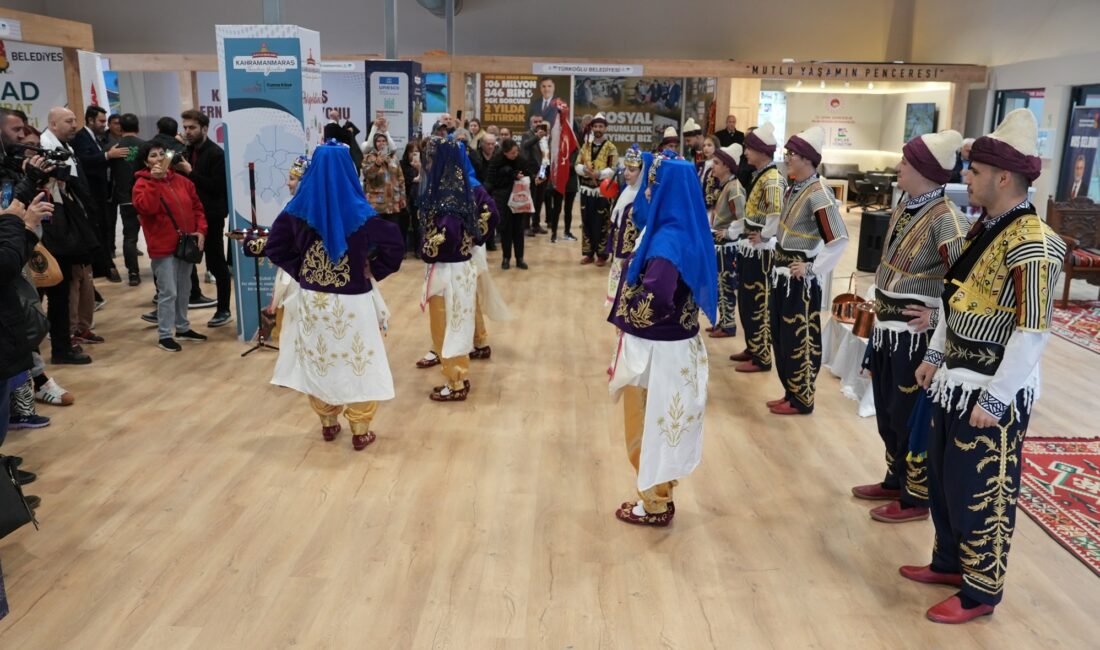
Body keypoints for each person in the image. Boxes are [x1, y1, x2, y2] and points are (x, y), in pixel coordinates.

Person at [903, 109, 1066, 624]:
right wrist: (934, 355)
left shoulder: (1034, 243)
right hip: (955, 382)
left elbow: (1033, 329)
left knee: (983, 491)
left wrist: (996, 397)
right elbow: (957, 300)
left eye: (973, 173)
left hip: (991, 392)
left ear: (1002, 177)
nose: (965, 178)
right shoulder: (984, 229)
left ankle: (980, 591)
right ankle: (950, 563)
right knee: (947, 481)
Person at [849, 129, 970, 525]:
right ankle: (894, 476)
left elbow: (965, 284)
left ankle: (916, 495)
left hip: (914, 334)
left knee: (906, 414)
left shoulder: (947, 219)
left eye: (905, 162)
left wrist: (937, 319)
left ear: (923, 170)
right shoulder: (905, 203)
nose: (898, 167)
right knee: (886, 410)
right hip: (887, 326)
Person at [266, 141, 404, 451]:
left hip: (312, 300)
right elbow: (394, 245)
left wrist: (303, 269)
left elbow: (274, 246)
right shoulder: (360, 211)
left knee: (321, 359)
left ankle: (328, 422)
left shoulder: (296, 210)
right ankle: (360, 427)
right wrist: (375, 268)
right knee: (359, 361)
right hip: (353, 301)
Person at [607, 159, 716, 527]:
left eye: (654, 186)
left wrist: (626, 306)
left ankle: (653, 502)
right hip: (679, 344)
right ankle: (660, 496)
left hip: (656, 350)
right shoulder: (690, 227)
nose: (648, 192)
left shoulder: (667, 238)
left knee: (647, 424)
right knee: (665, 424)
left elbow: (660, 291)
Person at [768, 126, 849, 415]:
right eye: (788, 153)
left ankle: (802, 397)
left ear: (807, 159)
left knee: (799, 338)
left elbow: (838, 238)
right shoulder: (796, 187)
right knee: (781, 336)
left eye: (792, 154)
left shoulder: (819, 193)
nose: (787, 158)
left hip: (798, 280)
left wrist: (812, 268)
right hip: (783, 275)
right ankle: (791, 392)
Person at [417, 139, 482, 401]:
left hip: (448, 273)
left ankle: (456, 382)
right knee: (458, 323)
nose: (428, 165)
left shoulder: (446, 199)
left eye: (432, 160)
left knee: (448, 327)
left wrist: (427, 247)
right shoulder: (461, 192)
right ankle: (457, 376)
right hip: (462, 269)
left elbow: (448, 234)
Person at [131, 141, 209, 351]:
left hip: (187, 244)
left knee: (185, 289)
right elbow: (147, 208)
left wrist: (201, 230)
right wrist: (155, 182)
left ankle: (182, 327)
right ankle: (165, 334)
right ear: (146, 162)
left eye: (161, 154)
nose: (158, 159)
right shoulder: (142, 184)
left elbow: (197, 207)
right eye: (153, 156)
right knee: (169, 292)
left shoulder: (183, 182)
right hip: (162, 246)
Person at [40, 107, 102, 363]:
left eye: (75, 120)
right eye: (68, 120)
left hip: (71, 221)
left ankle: (71, 335)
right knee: (59, 288)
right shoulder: (45, 146)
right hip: (56, 226)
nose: (74, 124)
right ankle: (63, 341)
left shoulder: (65, 146)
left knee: (76, 282)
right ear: (53, 124)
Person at [729, 122, 784, 373]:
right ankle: (753, 346)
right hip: (752, 245)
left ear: (762, 151)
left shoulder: (772, 178)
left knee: (759, 302)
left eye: (749, 148)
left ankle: (762, 355)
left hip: (761, 250)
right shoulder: (760, 174)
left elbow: (776, 213)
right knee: (748, 300)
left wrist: (763, 235)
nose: (745, 153)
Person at [180, 109, 233, 327]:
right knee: (184, 260)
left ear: (204, 128)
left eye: (192, 127)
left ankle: (223, 309)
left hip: (211, 215)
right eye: (185, 127)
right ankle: (183, 303)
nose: (187, 131)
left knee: (215, 263)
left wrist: (190, 172)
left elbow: (216, 187)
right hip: (189, 215)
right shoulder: (186, 151)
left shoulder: (215, 154)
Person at [71, 105, 126, 283]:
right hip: (91, 191)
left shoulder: (95, 137)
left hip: (102, 191)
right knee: (97, 227)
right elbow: (84, 160)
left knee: (104, 226)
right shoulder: (81, 138)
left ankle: (103, 265)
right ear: (90, 120)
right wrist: (107, 156)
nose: (104, 124)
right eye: (102, 121)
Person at [707, 143, 745, 339]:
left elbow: (741, 217)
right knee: (720, 285)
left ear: (727, 166)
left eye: (716, 163)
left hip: (728, 247)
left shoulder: (734, 189)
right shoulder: (726, 186)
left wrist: (730, 233)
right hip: (720, 245)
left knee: (726, 285)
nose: (712, 166)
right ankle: (723, 321)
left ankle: (729, 325)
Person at [605, 145, 646, 306]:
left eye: (632, 170)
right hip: (620, 250)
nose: (627, 173)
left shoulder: (643, 198)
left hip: (632, 255)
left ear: (642, 172)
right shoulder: (627, 191)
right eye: (626, 169)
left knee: (629, 299)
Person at [576, 113, 618, 266]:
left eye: (601, 126)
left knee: (601, 223)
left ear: (606, 128)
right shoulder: (586, 147)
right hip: (586, 189)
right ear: (592, 128)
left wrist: (599, 174)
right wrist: (585, 171)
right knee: (586, 221)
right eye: (595, 126)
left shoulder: (611, 147)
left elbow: (613, 168)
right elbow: (577, 165)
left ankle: (602, 254)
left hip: (603, 191)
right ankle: (589, 253)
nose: (598, 129)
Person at [107, 113, 145, 286]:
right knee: (154, 234)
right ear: (138, 127)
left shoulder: (111, 148)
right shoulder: (145, 146)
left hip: (125, 198)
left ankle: (133, 273)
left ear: (120, 128)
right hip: (145, 197)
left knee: (130, 237)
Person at [487, 138, 534, 270]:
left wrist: (533, 177)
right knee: (506, 229)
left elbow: (528, 172)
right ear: (505, 153)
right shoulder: (497, 160)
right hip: (503, 199)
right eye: (512, 153)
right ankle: (506, 257)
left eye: (516, 152)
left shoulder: (520, 159)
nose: (515, 155)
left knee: (519, 229)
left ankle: (520, 258)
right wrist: (510, 175)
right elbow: (492, 180)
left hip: (519, 199)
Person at [362, 131, 407, 229]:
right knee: (377, 235)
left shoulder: (393, 158)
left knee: (392, 234)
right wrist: (377, 164)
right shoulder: (369, 158)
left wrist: (402, 198)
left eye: (384, 141)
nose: (381, 143)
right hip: (377, 204)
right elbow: (368, 176)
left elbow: (401, 179)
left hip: (393, 204)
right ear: (374, 143)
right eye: (378, 141)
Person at [399, 141, 421, 254]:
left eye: (416, 151)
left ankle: (418, 250)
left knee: (418, 224)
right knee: (404, 224)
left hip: (419, 199)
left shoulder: (423, 164)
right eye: (411, 151)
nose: (414, 154)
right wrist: (413, 180)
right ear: (407, 152)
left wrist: (419, 168)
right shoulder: (402, 164)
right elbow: (401, 180)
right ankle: (403, 250)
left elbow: (424, 180)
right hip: (405, 197)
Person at [698, 135, 721, 211]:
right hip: (697, 202)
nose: (706, 148)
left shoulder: (719, 166)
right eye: (704, 145)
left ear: (716, 147)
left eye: (709, 145)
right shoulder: (699, 164)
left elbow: (716, 189)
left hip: (710, 207)